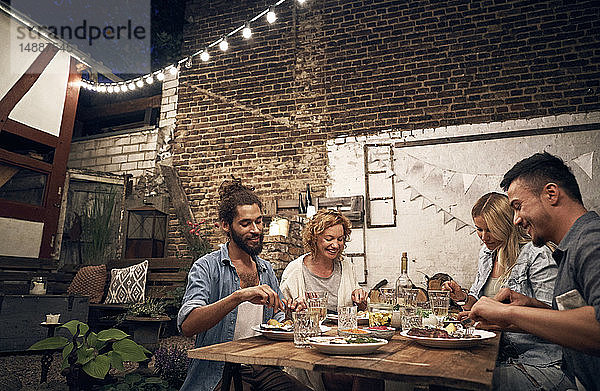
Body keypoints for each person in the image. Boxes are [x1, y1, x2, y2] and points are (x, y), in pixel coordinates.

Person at [468, 152, 600, 391]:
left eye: (518, 207)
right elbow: (578, 317)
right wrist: (529, 305)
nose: (516, 220)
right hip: (574, 376)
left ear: (551, 193)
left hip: (555, 371)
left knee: (462, 380)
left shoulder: (591, 241)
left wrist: (507, 314)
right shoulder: (570, 247)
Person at [177, 180, 310, 391]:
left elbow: (277, 321)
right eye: (246, 223)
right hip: (221, 369)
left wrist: (292, 313)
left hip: (263, 366)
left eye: (259, 221)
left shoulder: (265, 269)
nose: (256, 230)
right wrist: (238, 296)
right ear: (225, 225)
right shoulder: (206, 267)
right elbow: (187, 325)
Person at [443, 192, 572, 390]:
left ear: (508, 225)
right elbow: (480, 305)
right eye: (479, 229)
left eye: (491, 230)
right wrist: (462, 298)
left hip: (535, 360)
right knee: (446, 373)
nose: (484, 237)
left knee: (458, 381)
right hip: (494, 352)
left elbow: (554, 318)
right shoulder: (487, 253)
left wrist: (501, 319)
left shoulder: (537, 254)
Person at [280, 209, 375, 391]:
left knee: (372, 372)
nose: (336, 245)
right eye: (329, 238)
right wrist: (292, 311)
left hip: (344, 345)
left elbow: (360, 313)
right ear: (314, 238)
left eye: (340, 239)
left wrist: (361, 302)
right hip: (311, 349)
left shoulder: (346, 266)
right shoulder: (295, 271)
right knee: (356, 375)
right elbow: (284, 321)